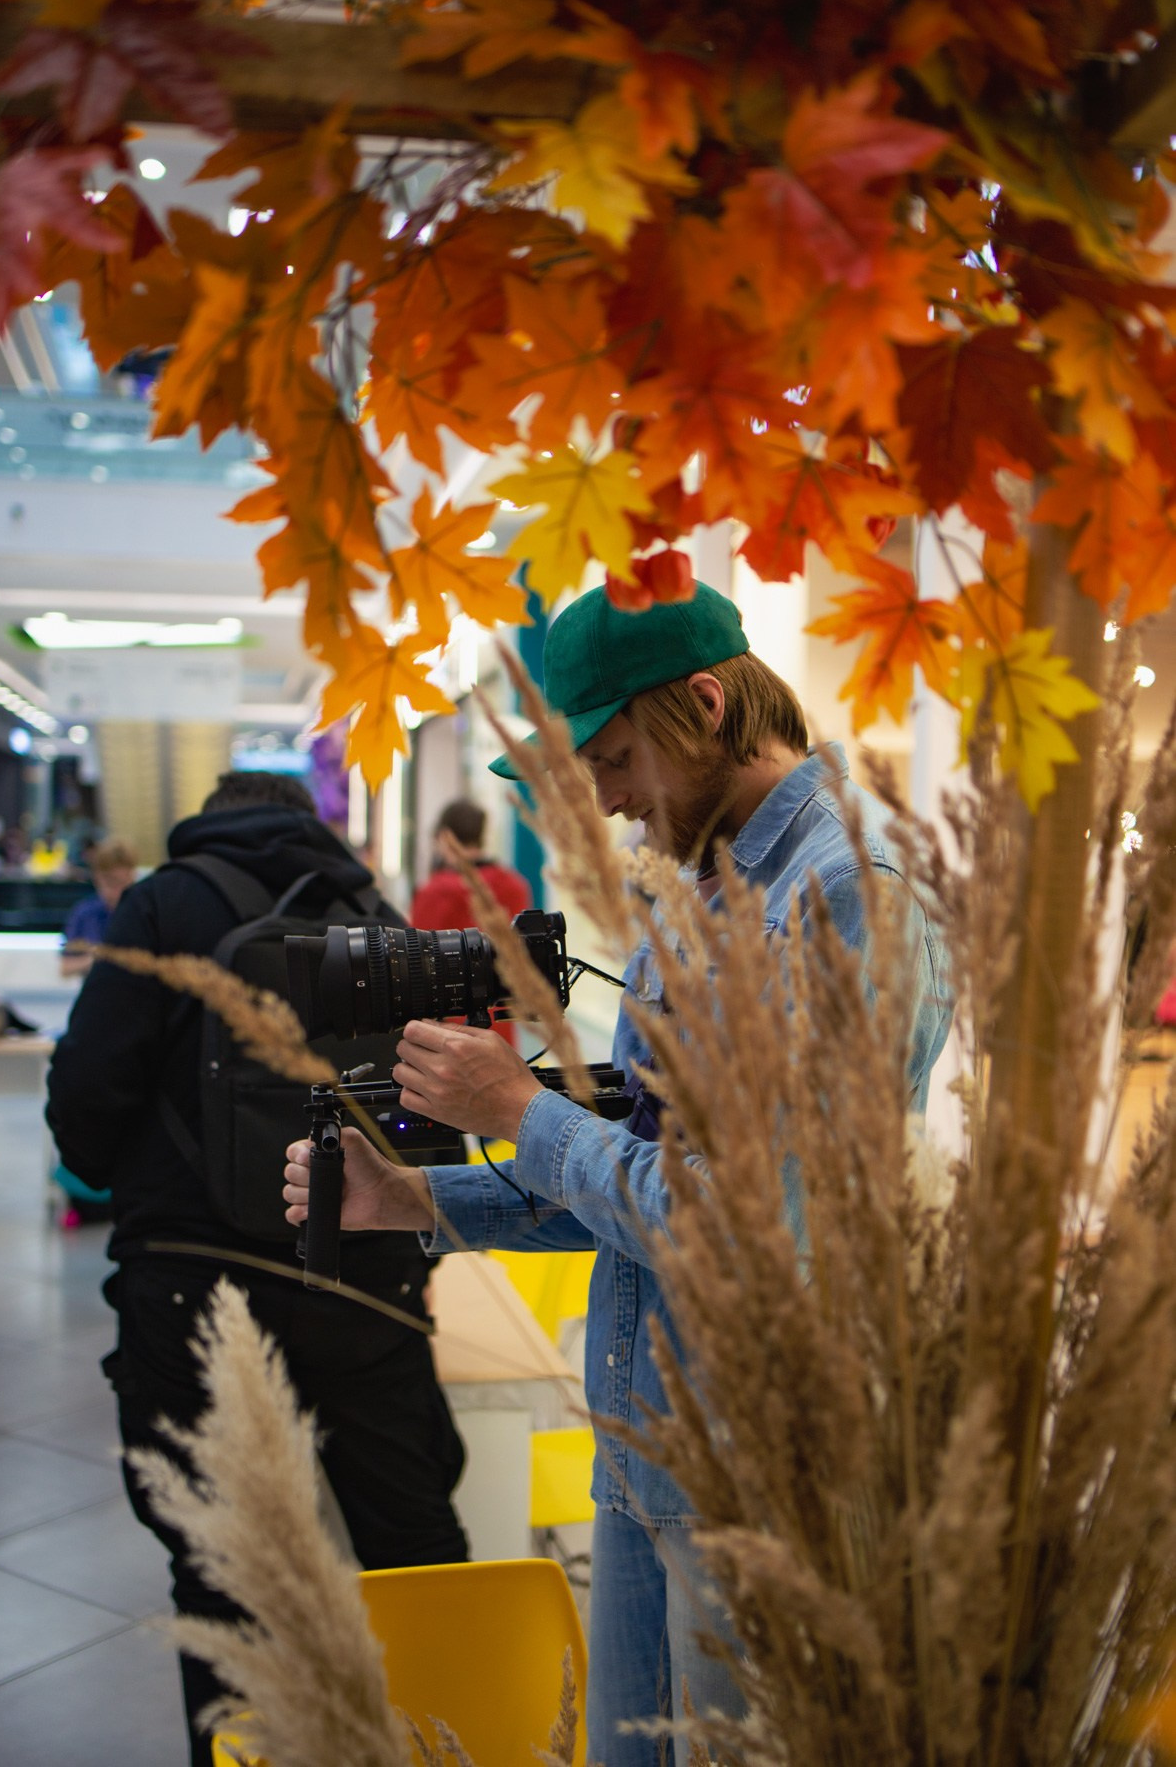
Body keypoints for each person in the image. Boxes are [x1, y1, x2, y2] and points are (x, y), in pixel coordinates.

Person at [284, 584, 953, 1767]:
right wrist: (419, 1200)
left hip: (763, 1483)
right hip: (647, 1456)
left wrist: (520, 1110)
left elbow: (751, 1234)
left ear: (708, 702)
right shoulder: (700, 896)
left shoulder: (849, 895)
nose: (603, 801)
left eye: (616, 757)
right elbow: (637, 1189)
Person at [47, 770, 468, 1767]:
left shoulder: (160, 903)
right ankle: (453, 1739)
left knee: (221, 1574)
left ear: (213, 817)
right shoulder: (374, 909)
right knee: (413, 1549)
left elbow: (87, 1093)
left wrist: (133, 1180)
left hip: (193, 1280)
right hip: (361, 1274)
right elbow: (431, 1105)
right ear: (308, 823)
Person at [411, 797, 533, 1047]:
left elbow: (415, 965)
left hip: (450, 1028)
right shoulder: (515, 885)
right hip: (501, 1023)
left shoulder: (435, 891)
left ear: (445, 837)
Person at [60, 836, 138, 977]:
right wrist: (99, 959)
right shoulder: (84, 913)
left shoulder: (144, 912)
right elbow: (65, 967)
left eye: (123, 883)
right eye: (111, 883)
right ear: (97, 878)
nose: (117, 892)